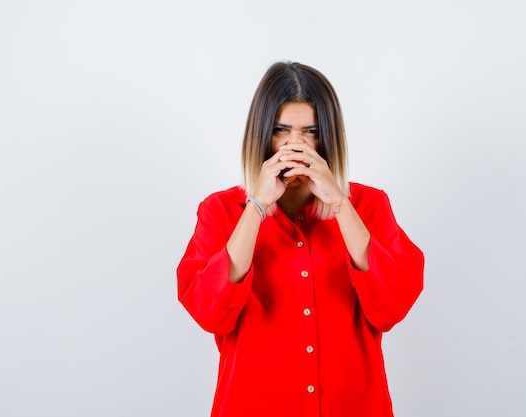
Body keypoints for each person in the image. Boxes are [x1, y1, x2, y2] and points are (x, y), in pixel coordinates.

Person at [176, 61, 424, 417]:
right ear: (262, 134)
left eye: (310, 131)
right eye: (281, 130)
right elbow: (209, 314)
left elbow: (393, 306)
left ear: (327, 138)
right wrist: (257, 206)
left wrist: (339, 203)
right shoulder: (220, 211)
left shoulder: (369, 206)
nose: (296, 145)